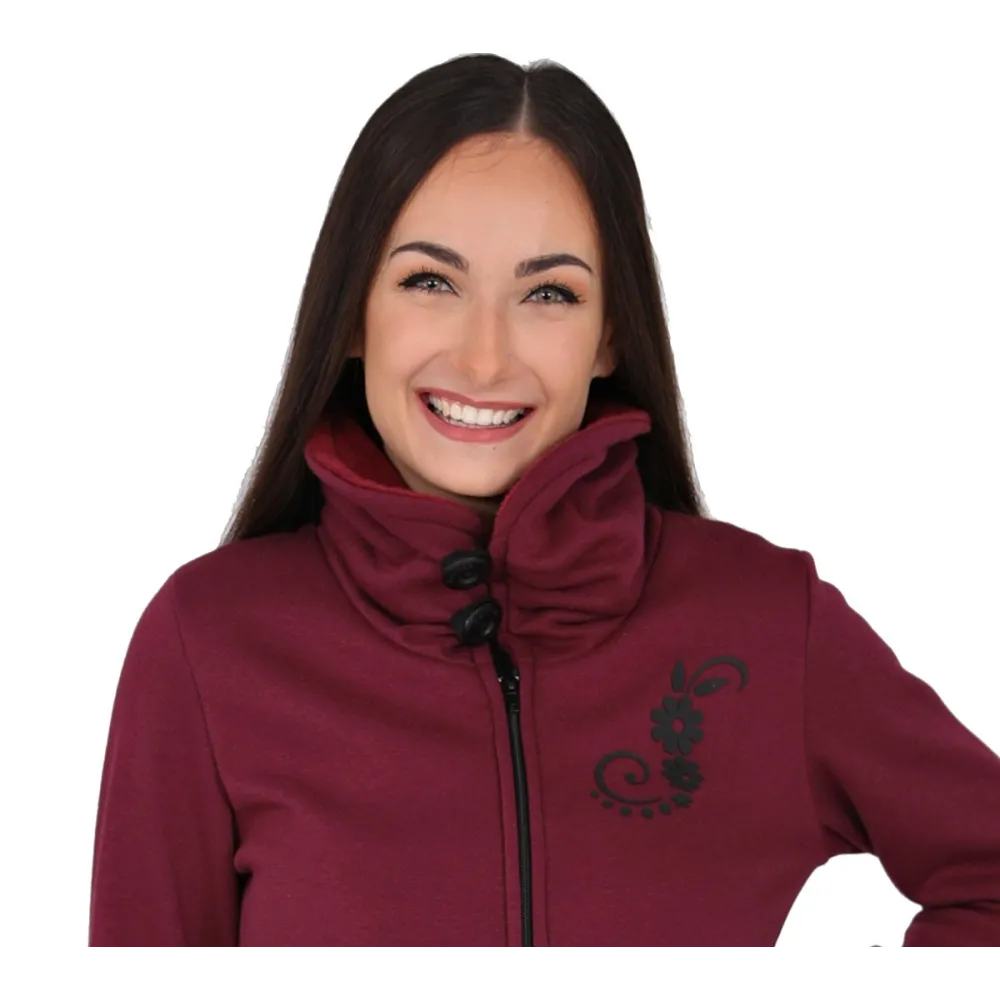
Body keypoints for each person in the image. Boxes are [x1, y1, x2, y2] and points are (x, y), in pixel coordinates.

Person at [88, 52, 1000, 951]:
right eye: (430, 282)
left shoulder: (766, 625)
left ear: (610, 335)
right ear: (353, 312)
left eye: (549, 293)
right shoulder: (208, 642)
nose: (484, 358)